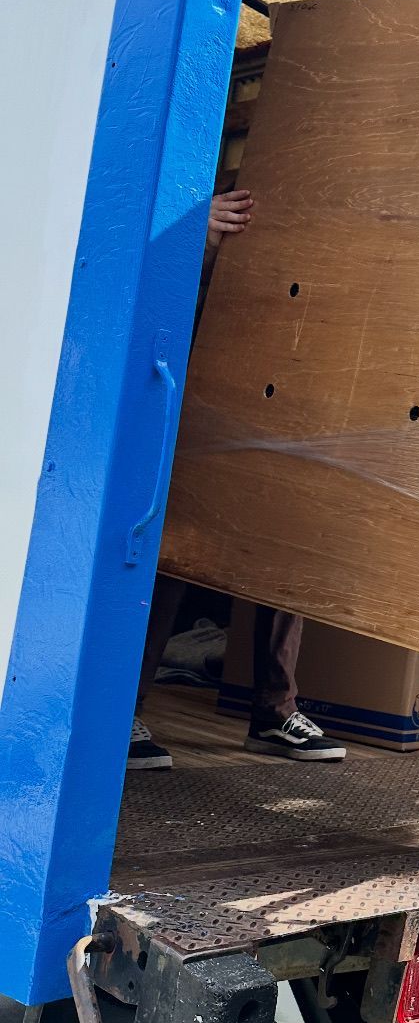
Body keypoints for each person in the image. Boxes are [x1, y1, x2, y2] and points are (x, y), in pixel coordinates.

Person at [127, 188, 346, 770]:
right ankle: (122, 708)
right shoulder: (206, 189)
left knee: (282, 546)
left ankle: (275, 712)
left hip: (284, 390)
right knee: (174, 544)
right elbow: (135, 278)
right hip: (199, 387)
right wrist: (196, 239)